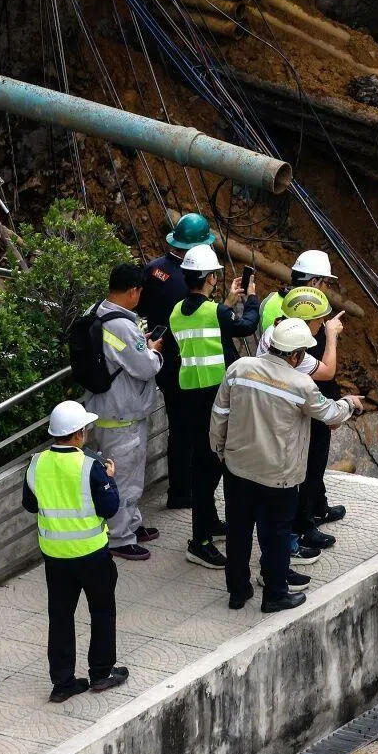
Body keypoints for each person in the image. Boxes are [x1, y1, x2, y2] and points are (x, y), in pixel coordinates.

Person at [210, 318, 353, 613]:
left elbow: (220, 413)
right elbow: (330, 414)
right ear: (296, 355)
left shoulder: (239, 368)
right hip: (279, 477)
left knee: (238, 533)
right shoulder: (301, 384)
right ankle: (274, 594)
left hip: (237, 469)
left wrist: (221, 452)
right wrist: (350, 404)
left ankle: (238, 591)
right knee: (275, 536)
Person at [23, 401, 129, 703]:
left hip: (54, 556)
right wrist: (109, 478)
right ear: (79, 434)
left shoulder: (36, 463)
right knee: (102, 611)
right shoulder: (92, 466)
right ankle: (100, 673)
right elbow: (109, 508)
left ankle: (63, 683)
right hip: (91, 554)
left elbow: (31, 505)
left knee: (60, 616)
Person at [168, 243, 261, 570]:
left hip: (189, 396)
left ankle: (210, 523)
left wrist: (228, 302)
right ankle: (199, 541)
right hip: (216, 397)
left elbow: (209, 325)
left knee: (205, 464)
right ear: (208, 278)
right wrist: (251, 299)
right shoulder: (216, 312)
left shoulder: (177, 311)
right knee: (209, 470)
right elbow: (246, 326)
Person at [79, 262, 165, 562]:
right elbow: (145, 367)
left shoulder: (98, 311)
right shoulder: (123, 327)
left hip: (102, 409)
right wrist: (153, 349)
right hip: (122, 417)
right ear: (133, 292)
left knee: (124, 476)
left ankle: (132, 524)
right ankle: (119, 537)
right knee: (123, 479)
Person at [280, 286, 370, 550]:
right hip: (298, 420)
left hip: (289, 420)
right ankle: (300, 532)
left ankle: (308, 516)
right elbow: (327, 373)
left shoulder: (278, 337)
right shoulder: (297, 355)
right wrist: (331, 336)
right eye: (319, 321)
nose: (322, 325)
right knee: (306, 472)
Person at [142, 212, 213, 514]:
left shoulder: (153, 269)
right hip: (183, 363)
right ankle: (183, 491)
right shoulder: (186, 285)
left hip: (159, 356)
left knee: (178, 428)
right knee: (189, 430)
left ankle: (181, 489)